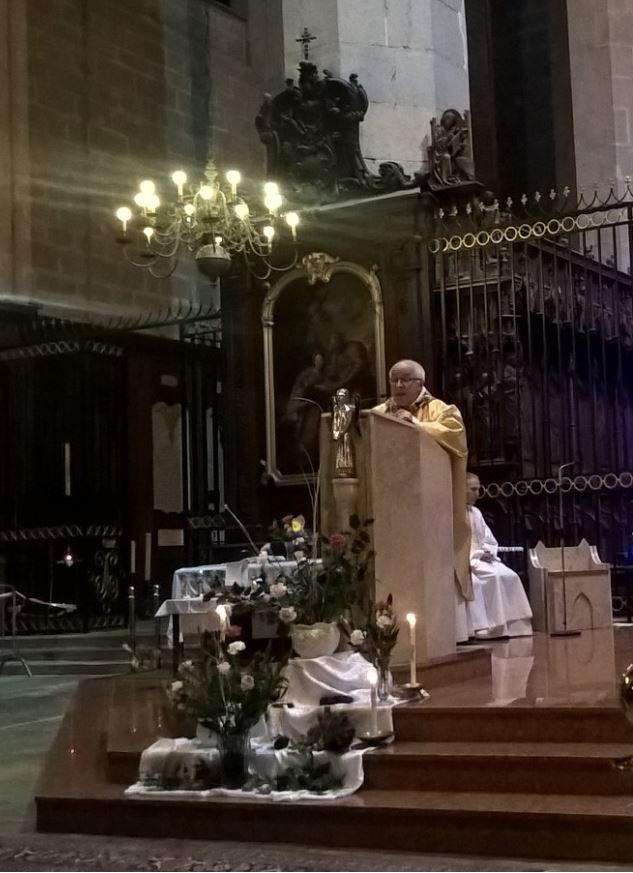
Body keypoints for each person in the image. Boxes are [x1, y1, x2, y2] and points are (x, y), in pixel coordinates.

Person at [373, 360, 472, 609]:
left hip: (432, 504)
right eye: (394, 380)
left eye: (405, 379)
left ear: (420, 384)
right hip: (392, 501)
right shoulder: (379, 414)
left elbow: (454, 436)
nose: (398, 385)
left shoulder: (443, 411)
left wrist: (415, 425)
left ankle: (442, 627)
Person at [465, 472, 533, 639]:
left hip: (484, 558)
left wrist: (488, 550)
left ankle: (514, 626)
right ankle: (494, 627)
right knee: (494, 576)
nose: (478, 494)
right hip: (470, 560)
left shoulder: (477, 512)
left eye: (479, 489)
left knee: (510, 575)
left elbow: (488, 538)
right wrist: (478, 554)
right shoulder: (456, 514)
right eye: (473, 489)